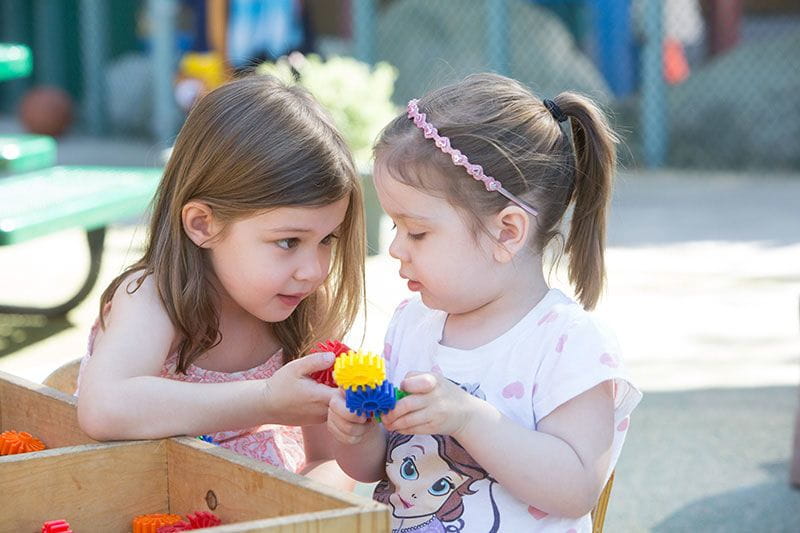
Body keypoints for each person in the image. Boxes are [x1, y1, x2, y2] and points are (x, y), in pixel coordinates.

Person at [327, 73, 641, 531]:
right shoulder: (412, 324)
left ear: (507, 232)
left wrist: (469, 420)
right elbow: (380, 468)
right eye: (395, 228)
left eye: (416, 231)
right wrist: (357, 435)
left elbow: (575, 489)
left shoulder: (568, 344)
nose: (395, 248)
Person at [77, 75, 365, 489]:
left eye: (326, 241)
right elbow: (105, 407)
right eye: (288, 241)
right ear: (202, 224)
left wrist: (296, 510)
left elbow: (329, 458)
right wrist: (266, 399)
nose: (314, 271)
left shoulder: (306, 308)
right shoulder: (153, 299)